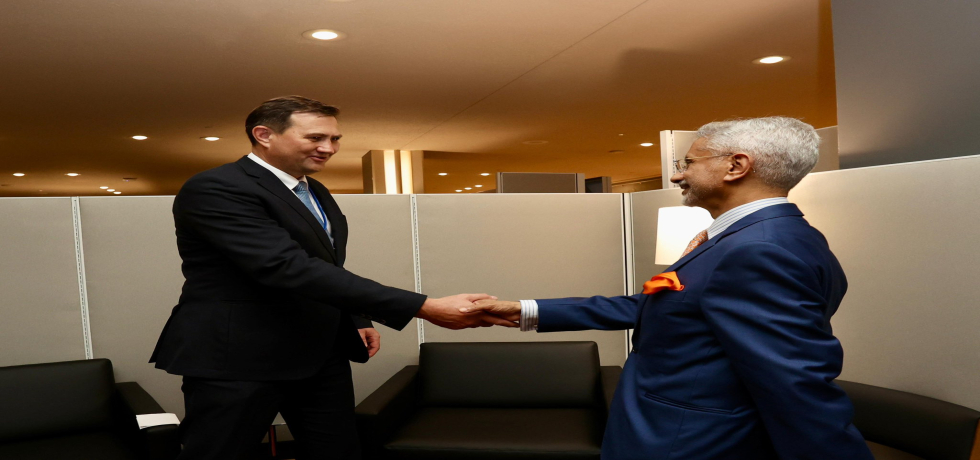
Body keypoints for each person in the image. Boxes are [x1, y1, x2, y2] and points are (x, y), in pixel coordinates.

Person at [467, 117, 874, 459]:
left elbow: (794, 383)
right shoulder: (770, 238)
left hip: (688, 441)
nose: (678, 174)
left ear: (736, 165)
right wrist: (524, 310)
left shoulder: (758, 250)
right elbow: (659, 306)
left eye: (688, 162)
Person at [150, 96, 508, 460]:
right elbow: (285, 267)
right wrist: (424, 307)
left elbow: (324, 264)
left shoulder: (312, 189)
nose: (329, 148)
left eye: (335, 139)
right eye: (316, 138)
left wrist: (355, 317)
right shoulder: (217, 187)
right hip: (238, 357)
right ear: (264, 135)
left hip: (320, 352)